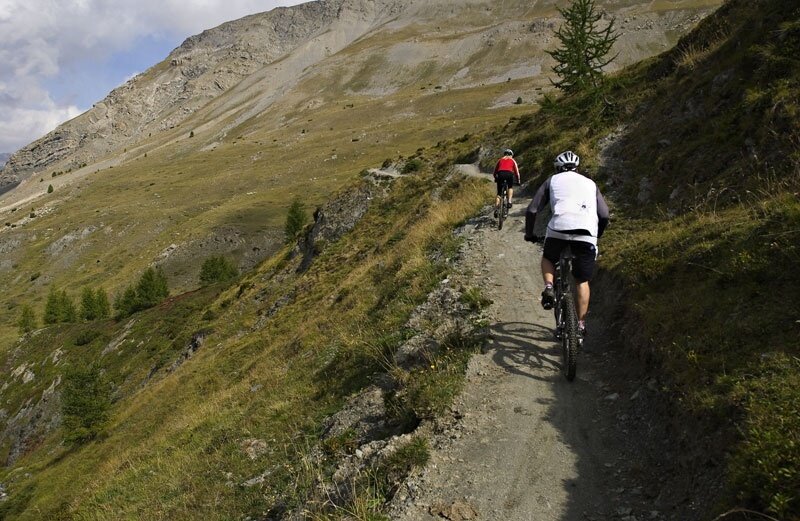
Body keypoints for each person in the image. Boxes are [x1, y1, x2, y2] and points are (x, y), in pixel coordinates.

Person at [524, 150, 610, 338]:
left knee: (548, 257)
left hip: (558, 229)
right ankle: (580, 325)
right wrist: (597, 235)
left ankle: (548, 287)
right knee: (582, 280)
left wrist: (529, 234)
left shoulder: (552, 181)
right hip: (586, 233)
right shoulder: (591, 183)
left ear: (557, 168)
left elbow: (532, 210)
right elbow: (604, 214)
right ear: (577, 168)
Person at [493, 149, 520, 217]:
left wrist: (496, 178)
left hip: (500, 174)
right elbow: (516, 172)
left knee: (499, 193)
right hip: (509, 174)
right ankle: (509, 202)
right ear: (511, 155)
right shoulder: (512, 160)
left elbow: (495, 171)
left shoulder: (500, 160)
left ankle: (496, 209)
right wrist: (518, 180)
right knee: (510, 187)